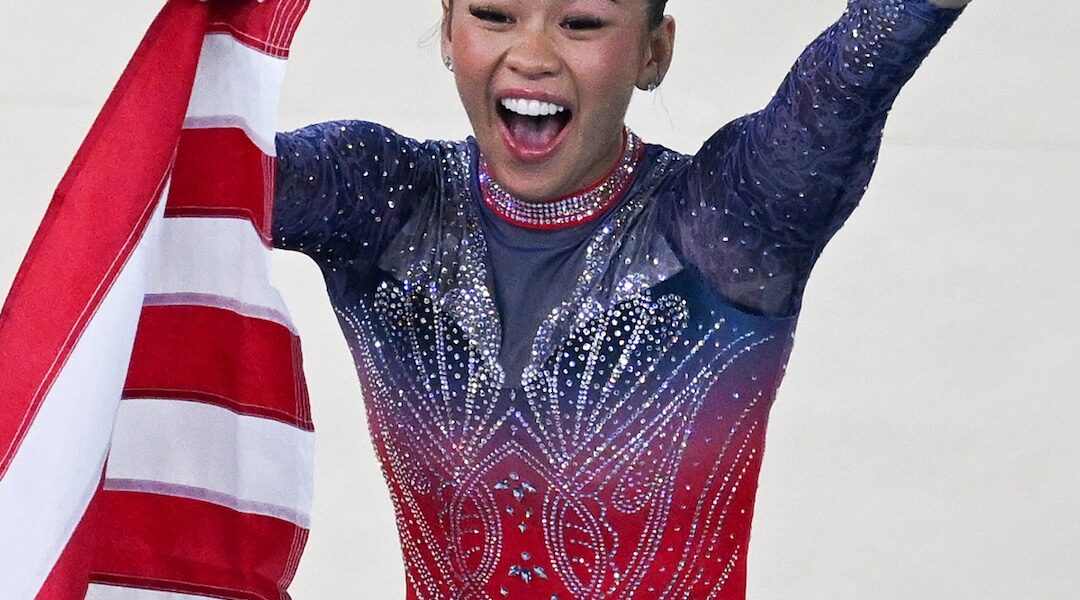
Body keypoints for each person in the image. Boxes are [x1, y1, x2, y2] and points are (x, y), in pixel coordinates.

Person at [273, 0, 968, 597]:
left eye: (581, 22)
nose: (532, 55)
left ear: (653, 51)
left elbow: (852, 76)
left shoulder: (723, 226)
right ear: (449, 27)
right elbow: (196, 166)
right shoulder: (385, 203)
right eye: (493, 14)